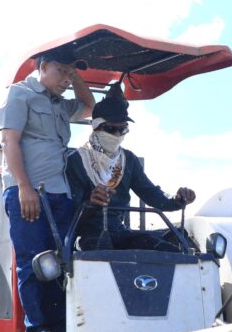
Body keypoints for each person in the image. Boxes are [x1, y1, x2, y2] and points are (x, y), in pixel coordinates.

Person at [0, 45, 95, 332]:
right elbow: (9, 140)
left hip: (60, 193)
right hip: (29, 192)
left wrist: (75, 73)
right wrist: (24, 187)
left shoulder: (60, 105)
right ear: (43, 67)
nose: (66, 79)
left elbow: (89, 105)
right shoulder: (20, 94)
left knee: (62, 263)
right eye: (61, 71)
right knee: (34, 262)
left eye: (70, 73)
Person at [66, 84, 195, 251]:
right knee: (100, 253)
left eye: (122, 129)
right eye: (111, 129)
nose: (117, 135)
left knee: (168, 250)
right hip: (86, 236)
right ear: (96, 127)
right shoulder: (76, 161)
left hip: (120, 231)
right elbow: (69, 215)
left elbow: (152, 194)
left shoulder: (128, 160)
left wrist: (177, 200)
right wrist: (91, 203)